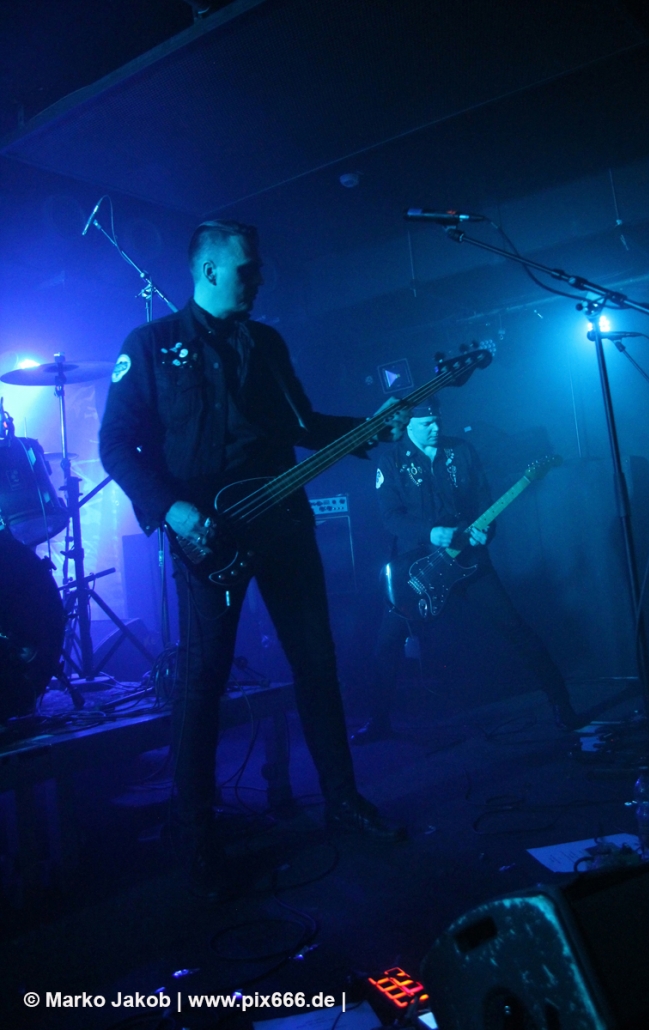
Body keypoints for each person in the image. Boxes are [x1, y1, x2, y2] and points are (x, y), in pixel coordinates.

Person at [99, 220, 407, 896]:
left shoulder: (266, 342)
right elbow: (116, 445)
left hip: (284, 523)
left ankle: (343, 801)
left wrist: (371, 426)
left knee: (317, 663)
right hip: (208, 532)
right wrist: (177, 513)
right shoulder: (150, 345)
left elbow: (303, 425)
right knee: (203, 681)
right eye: (247, 269)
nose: (258, 278)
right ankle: (197, 836)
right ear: (209, 270)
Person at [351, 400, 580, 743]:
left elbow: (483, 499)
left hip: (468, 559)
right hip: (418, 567)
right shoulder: (392, 460)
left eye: (438, 421)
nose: (436, 428)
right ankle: (378, 720)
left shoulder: (461, 450)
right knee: (388, 641)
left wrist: (487, 530)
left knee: (514, 626)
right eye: (427, 423)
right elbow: (390, 517)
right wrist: (430, 532)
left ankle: (562, 703)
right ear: (409, 424)